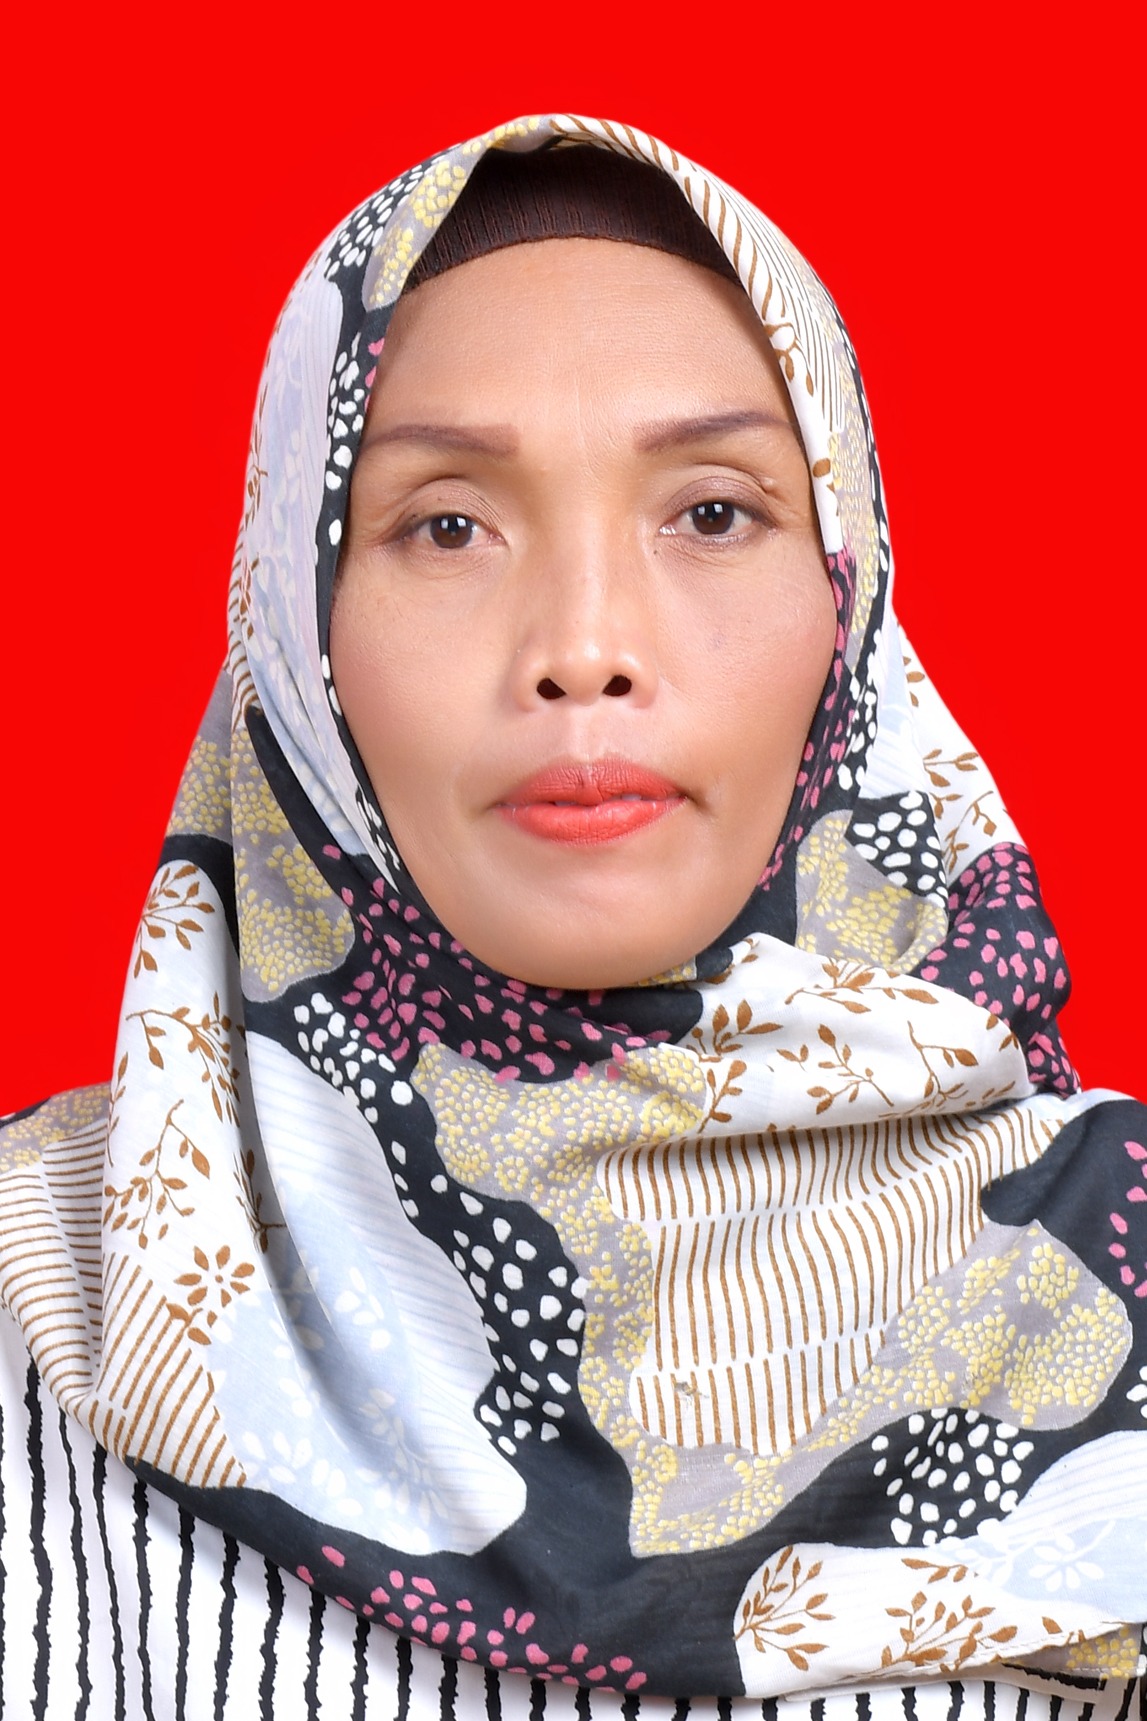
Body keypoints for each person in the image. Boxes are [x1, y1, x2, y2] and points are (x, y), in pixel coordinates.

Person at [0, 114, 1143, 1720]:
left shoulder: (1112, 1280)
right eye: (445, 524)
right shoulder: (39, 1286)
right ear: (295, 630)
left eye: (713, 512)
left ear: (850, 597)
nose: (585, 644)